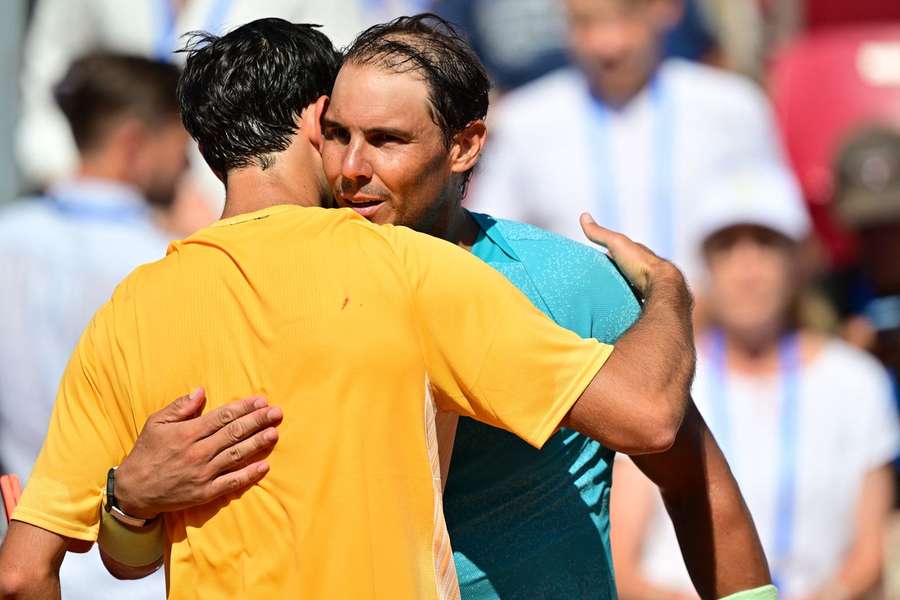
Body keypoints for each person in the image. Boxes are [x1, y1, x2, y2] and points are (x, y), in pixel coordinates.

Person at [0, 18, 699, 599]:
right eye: (343, 128)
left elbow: (32, 572)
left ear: (206, 147)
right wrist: (667, 292)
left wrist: (128, 502)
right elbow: (648, 415)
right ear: (317, 121)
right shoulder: (409, 268)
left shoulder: (131, 310)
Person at [611, 162, 900, 599]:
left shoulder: (856, 381)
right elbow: (622, 562)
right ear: (705, 263)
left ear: (798, 260)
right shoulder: (661, 377)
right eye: (727, 247)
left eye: (765, 244)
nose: (748, 269)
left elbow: (870, 553)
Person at [0, 52, 188, 600]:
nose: (183, 168)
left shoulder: (6, 239)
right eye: (179, 149)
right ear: (134, 142)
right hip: (139, 566)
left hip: (23, 544)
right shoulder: (166, 260)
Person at [468, 0, 793, 282]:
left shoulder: (733, 108)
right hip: (575, 342)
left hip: (713, 342)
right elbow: (488, 250)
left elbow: (782, 239)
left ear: (666, 9)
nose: (608, 44)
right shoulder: (524, 122)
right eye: (586, 22)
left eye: (625, 17)